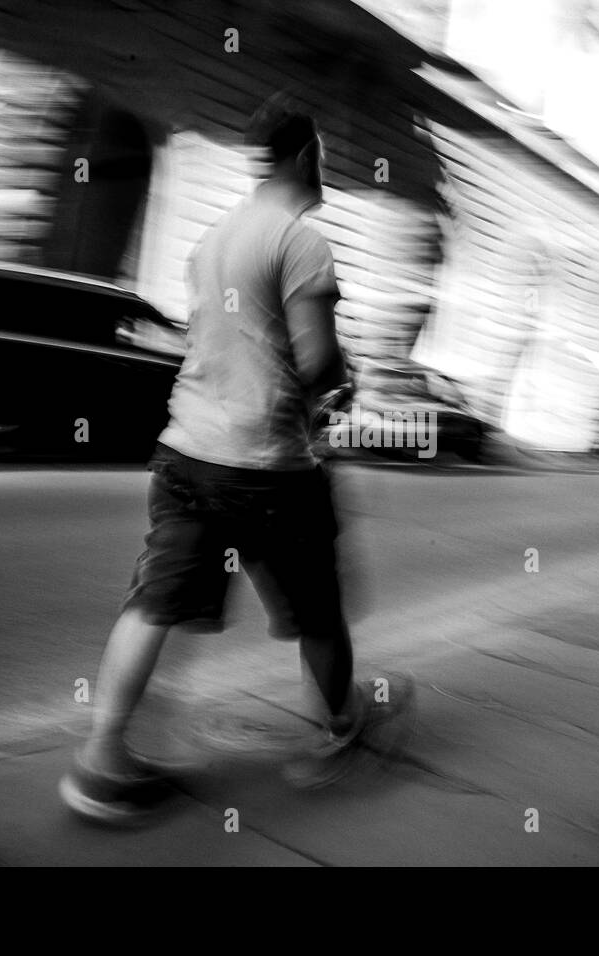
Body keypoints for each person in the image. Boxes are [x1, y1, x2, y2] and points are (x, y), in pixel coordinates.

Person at [61, 96, 383, 824]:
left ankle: (101, 759)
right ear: (306, 156)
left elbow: (224, 342)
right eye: (321, 157)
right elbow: (315, 359)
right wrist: (343, 378)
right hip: (268, 469)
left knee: (154, 603)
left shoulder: (212, 240)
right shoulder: (300, 242)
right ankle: (341, 730)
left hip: (185, 453)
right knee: (320, 615)